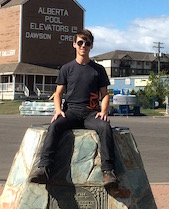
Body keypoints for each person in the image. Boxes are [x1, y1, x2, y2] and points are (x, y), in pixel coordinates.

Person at [29, 29, 118, 188]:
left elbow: (104, 95)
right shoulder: (66, 68)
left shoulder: (98, 70)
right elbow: (58, 94)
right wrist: (58, 110)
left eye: (87, 43)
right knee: (55, 126)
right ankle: (44, 169)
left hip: (91, 113)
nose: (83, 46)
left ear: (91, 46)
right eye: (80, 43)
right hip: (71, 111)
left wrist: (103, 112)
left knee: (105, 128)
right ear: (74, 45)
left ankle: (108, 172)